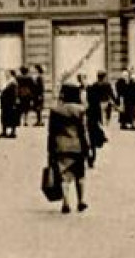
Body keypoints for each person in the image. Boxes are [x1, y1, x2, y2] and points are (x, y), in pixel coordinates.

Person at [46, 83, 93, 214]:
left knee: (63, 176)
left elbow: (51, 132)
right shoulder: (81, 110)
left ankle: (66, 202)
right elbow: (84, 131)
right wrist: (87, 147)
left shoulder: (55, 110)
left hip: (60, 146)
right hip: (77, 145)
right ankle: (81, 201)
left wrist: (50, 149)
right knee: (80, 174)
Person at [82, 75, 108, 168]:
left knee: (92, 140)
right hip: (82, 119)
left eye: (84, 79)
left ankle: (91, 158)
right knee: (83, 140)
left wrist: (99, 121)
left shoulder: (92, 91)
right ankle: (86, 156)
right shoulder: (76, 91)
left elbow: (97, 106)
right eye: (81, 79)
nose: (83, 82)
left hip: (91, 119)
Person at [0, 71, 21, 139]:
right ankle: (5, 132)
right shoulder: (9, 82)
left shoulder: (12, 83)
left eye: (7, 74)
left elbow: (14, 94)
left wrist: (14, 103)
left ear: (11, 75)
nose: (6, 75)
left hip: (10, 103)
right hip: (7, 103)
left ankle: (11, 132)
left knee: (11, 117)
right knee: (6, 117)